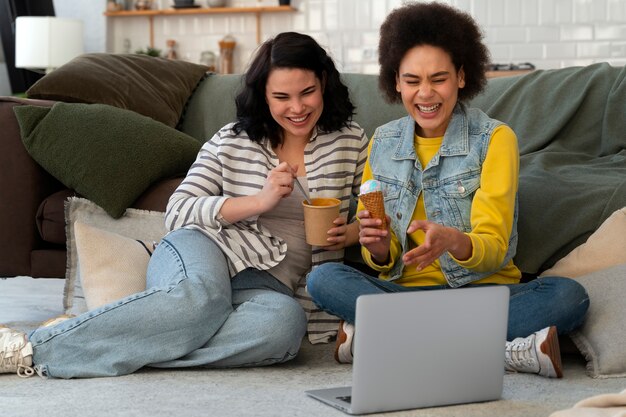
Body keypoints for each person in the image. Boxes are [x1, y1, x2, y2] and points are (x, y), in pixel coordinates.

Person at [0, 32, 368, 379]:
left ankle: (123, 343)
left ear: (324, 84)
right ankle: (32, 349)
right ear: (263, 96)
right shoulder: (232, 139)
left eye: (308, 92)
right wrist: (258, 201)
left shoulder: (350, 141)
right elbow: (179, 210)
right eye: (282, 97)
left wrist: (347, 233)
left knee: (284, 329)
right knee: (200, 299)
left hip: (268, 286)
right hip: (203, 250)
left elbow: (367, 217)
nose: (298, 108)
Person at [306, 3, 589, 378]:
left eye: (438, 78)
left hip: (480, 296)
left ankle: (385, 339)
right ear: (396, 82)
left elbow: (494, 248)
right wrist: (376, 248)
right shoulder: (383, 142)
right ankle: (498, 349)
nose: (425, 94)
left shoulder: (494, 139)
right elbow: (385, 253)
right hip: (404, 296)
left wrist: (454, 241)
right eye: (412, 80)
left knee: (570, 297)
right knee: (323, 280)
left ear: (460, 76)